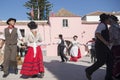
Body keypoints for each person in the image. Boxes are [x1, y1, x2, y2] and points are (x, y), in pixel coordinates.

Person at [85, 13, 113, 80]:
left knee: (110, 61)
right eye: (109, 19)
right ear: (106, 19)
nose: (110, 21)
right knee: (101, 61)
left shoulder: (105, 25)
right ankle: (89, 70)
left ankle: (108, 77)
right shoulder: (102, 25)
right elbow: (97, 34)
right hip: (101, 46)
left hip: (104, 46)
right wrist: (105, 42)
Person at [109, 15, 120, 79]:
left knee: (115, 61)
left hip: (116, 46)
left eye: (110, 20)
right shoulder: (118, 26)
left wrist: (108, 41)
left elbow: (115, 37)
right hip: (118, 45)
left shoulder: (112, 27)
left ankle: (115, 75)